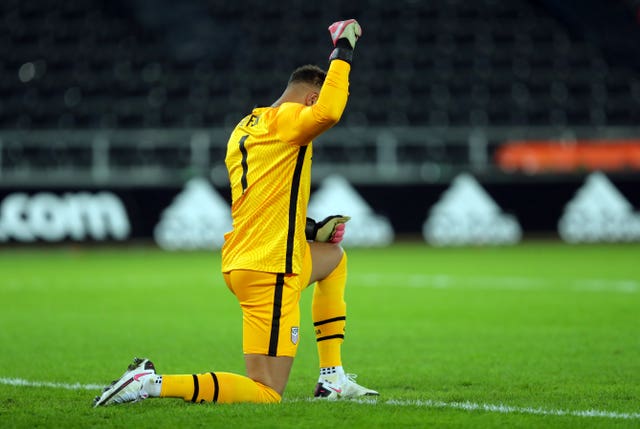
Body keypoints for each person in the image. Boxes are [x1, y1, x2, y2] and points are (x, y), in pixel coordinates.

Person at [94, 18, 377, 406]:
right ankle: (150, 383)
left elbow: (262, 199)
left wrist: (310, 231)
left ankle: (333, 377)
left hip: (251, 259)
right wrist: (343, 49)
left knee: (333, 258)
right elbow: (329, 112)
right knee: (266, 392)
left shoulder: (245, 127)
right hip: (270, 270)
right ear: (309, 98)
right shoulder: (287, 121)